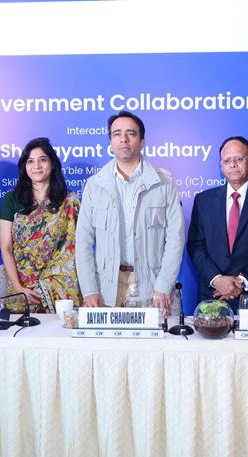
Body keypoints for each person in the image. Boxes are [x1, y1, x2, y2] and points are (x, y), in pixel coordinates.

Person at [75, 111, 185, 310]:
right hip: (107, 286)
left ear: (142, 142)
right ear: (110, 142)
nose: (123, 139)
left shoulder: (164, 182)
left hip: (151, 284)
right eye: (117, 134)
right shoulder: (94, 185)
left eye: (131, 133)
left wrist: (163, 285)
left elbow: (175, 238)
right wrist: (89, 290)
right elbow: (83, 241)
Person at [187, 136, 248, 309]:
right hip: (213, 295)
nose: (232, 164)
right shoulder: (204, 200)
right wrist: (217, 279)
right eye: (227, 160)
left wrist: (242, 281)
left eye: (238, 159)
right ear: (221, 166)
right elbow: (195, 246)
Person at [0, 137, 81, 312]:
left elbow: (78, 247)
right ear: (24, 166)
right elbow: (6, 248)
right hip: (22, 288)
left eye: (42, 160)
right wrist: (19, 288)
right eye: (30, 161)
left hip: (60, 290)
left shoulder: (68, 201)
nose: (36, 166)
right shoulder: (12, 200)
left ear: (52, 164)